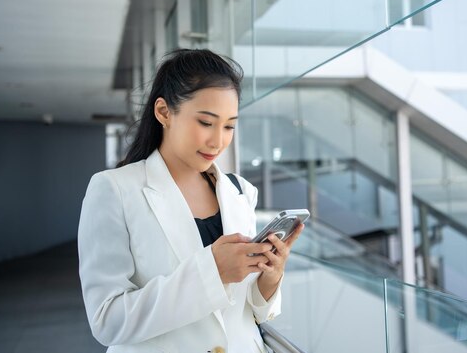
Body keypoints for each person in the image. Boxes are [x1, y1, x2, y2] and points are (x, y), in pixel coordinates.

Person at [78, 49, 303, 353]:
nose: (218, 141)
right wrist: (212, 272)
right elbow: (107, 320)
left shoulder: (240, 191)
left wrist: (271, 278)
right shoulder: (114, 190)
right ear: (164, 112)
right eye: (206, 122)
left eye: (229, 126)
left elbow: (248, 311)